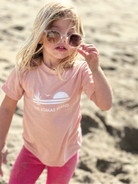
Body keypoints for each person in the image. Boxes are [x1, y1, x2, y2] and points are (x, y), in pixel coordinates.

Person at [0, 1, 112, 183]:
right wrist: (1, 143)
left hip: (66, 153)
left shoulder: (80, 71)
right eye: (53, 34)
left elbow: (105, 105)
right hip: (32, 151)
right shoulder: (24, 71)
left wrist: (96, 70)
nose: (63, 40)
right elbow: (6, 107)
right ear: (40, 36)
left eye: (72, 37)